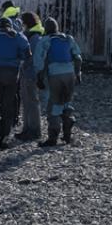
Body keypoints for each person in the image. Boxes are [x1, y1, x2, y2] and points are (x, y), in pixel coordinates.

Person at [33, 17, 83, 146]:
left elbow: (39, 61)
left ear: (46, 29)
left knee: (54, 105)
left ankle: (52, 138)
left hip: (55, 74)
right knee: (66, 102)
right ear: (57, 28)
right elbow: (78, 58)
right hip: (69, 73)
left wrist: (39, 78)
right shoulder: (68, 39)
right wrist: (78, 74)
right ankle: (67, 135)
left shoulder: (45, 41)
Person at [0, 16, 29, 149]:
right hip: (12, 72)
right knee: (8, 107)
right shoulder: (18, 36)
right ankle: (4, 138)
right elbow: (27, 53)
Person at [15, 11, 44, 142]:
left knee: (32, 102)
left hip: (30, 74)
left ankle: (34, 130)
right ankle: (27, 128)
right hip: (27, 73)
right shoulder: (32, 35)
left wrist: (23, 64)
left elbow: (33, 57)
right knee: (26, 102)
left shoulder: (34, 37)